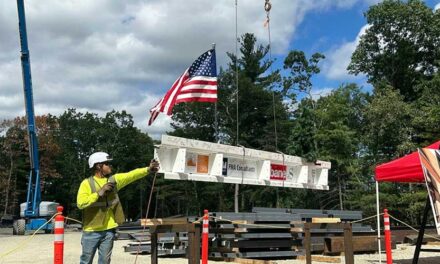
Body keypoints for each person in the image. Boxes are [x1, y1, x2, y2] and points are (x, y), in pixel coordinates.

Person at [77, 151, 159, 264]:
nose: (110, 166)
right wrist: (98, 193)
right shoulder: (86, 183)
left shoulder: (113, 180)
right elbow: (80, 203)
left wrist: (148, 169)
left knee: (105, 261)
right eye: (107, 163)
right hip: (91, 231)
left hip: (108, 231)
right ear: (98, 166)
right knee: (86, 261)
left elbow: (131, 175)